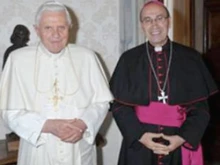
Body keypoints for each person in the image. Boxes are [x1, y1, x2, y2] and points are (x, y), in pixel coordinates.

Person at [0, 1, 112, 165]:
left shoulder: (87, 57)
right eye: (48, 28)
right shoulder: (17, 60)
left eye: (62, 27)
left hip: (79, 149)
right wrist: (47, 125)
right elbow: (9, 111)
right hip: (39, 149)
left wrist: (83, 124)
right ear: (37, 29)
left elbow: (102, 102)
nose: (56, 34)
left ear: (70, 27)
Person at [110, 1, 218, 165]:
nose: (154, 25)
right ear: (142, 25)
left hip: (178, 141)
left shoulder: (191, 58)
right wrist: (141, 136)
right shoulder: (128, 59)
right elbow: (118, 105)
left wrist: (182, 138)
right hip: (140, 143)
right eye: (148, 20)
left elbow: (201, 109)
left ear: (169, 21)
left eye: (159, 18)